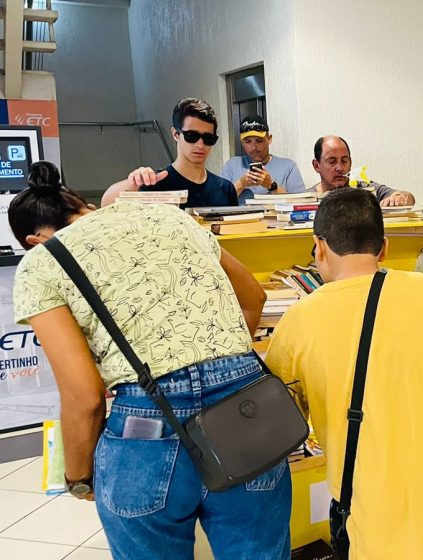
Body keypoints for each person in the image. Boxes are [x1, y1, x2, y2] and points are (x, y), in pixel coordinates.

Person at [12, 162, 291, 559]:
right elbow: (254, 298)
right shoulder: (168, 216)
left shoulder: (41, 263)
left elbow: (84, 395)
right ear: (84, 206)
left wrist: (78, 478)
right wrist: (218, 364)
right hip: (244, 410)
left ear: (32, 239)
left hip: (147, 426)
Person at [265, 188, 423, 559]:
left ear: (319, 247)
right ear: (384, 247)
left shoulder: (298, 320)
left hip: (374, 514)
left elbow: (280, 424)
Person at [101, 97, 238, 208]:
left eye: (208, 138)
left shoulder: (225, 189)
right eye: (191, 136)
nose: (200, 145)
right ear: (175, 134)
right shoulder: (156, 183)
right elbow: (106, 204)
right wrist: (132, 183)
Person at [220, 114, 306, 205]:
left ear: (269, 139)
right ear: (242, 143)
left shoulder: (289, 167)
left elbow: (301, 205)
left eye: (259, 141)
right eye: (248, 142)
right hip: (240, 219)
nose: (253, 147)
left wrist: (272, 186)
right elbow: (218, 203)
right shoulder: (232, 165)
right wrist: (241, 184)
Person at [309, 135, 415, 207]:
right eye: (332, 162)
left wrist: (398, 198)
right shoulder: (303, 200)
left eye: (344, 161)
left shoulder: (366, 189)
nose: (340, 168)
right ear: (316, 165)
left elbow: (409, 197)